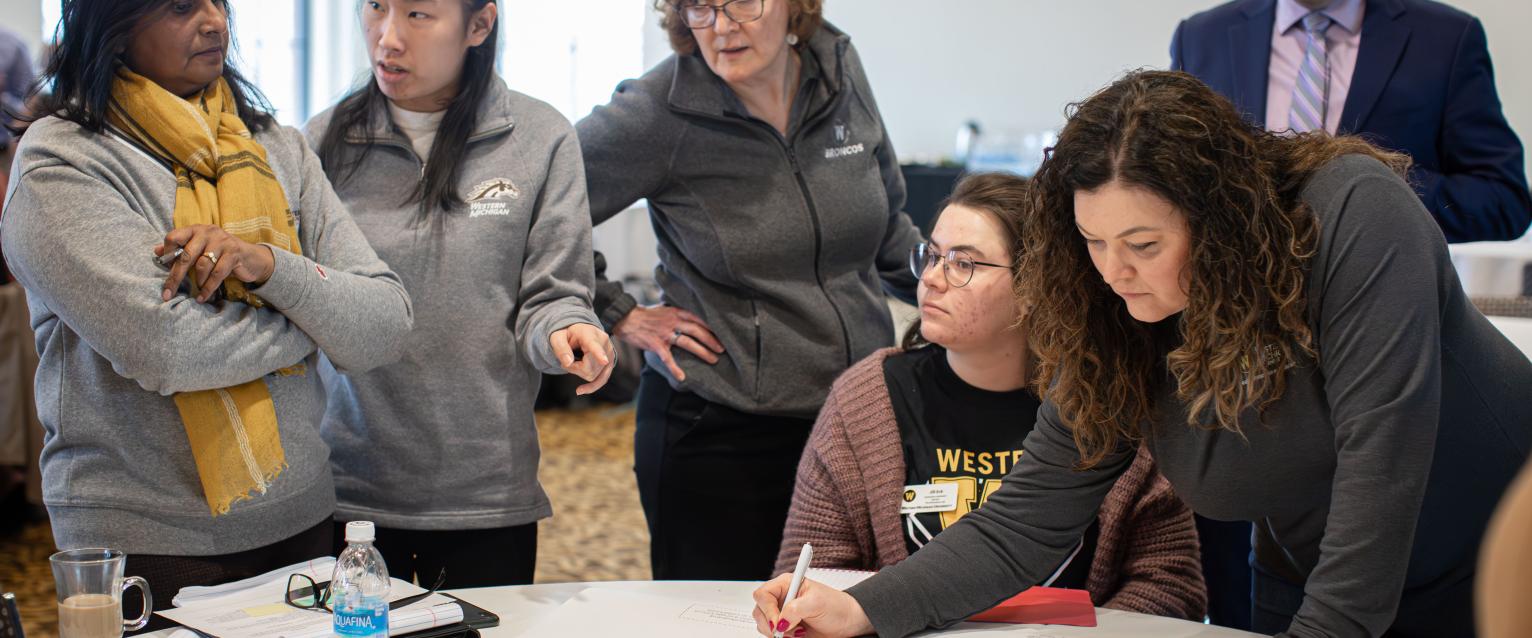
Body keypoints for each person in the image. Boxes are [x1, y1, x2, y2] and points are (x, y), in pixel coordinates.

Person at [751, 70, 1532, 638]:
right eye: (1093, 242)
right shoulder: (1114, 307)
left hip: (1497, 555)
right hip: (1311, 569)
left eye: (1143, 244)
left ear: (1219, 223)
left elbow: (1382, 471)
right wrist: (864, 607)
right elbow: (1027, 518)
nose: (1113, 270)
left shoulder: (1354, 219)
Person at [0, 0, 412, 630]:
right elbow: (166, 350)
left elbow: (384, 324)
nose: (215, 20)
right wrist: (317, 323)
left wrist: (273, 268)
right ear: (112, 26)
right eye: (179, 7)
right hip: (140, 538)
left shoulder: (277, 147)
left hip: (299, 517)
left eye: (219, 1)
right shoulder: (63, 161)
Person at [576, 0, 924, 580]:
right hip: (721, 432)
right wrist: (619, 310)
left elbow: (888, 227)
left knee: (846, 611)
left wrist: (967, 283)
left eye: (741, 2)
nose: (721, 26)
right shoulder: (659, 110)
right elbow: (533, 206)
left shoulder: (838, 65)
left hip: (855, 422)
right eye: (699, 8)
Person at [772, 172, 1207, 620]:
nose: (933, 280)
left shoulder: (1107, 396)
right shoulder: (866, 399)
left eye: (964, 264)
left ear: (1037, 287)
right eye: (933, 256)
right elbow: (814, 576)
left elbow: (1169, 586)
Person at [306, 0, 612, 588]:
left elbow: (552, 295)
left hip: (486, 488)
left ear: (479, 24)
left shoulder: (541, 137)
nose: (387, 38)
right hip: (350, 488)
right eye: (374, 7)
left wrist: (566, 331)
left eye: (418, 15)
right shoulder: (319, 144)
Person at [1170, 0, 1531, 243]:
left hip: (1385, 306)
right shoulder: (1202, 38)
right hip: (1240, 316)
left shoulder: (1445, 39)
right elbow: (1174, 181)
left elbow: (1503, 201)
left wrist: (1375, 190)